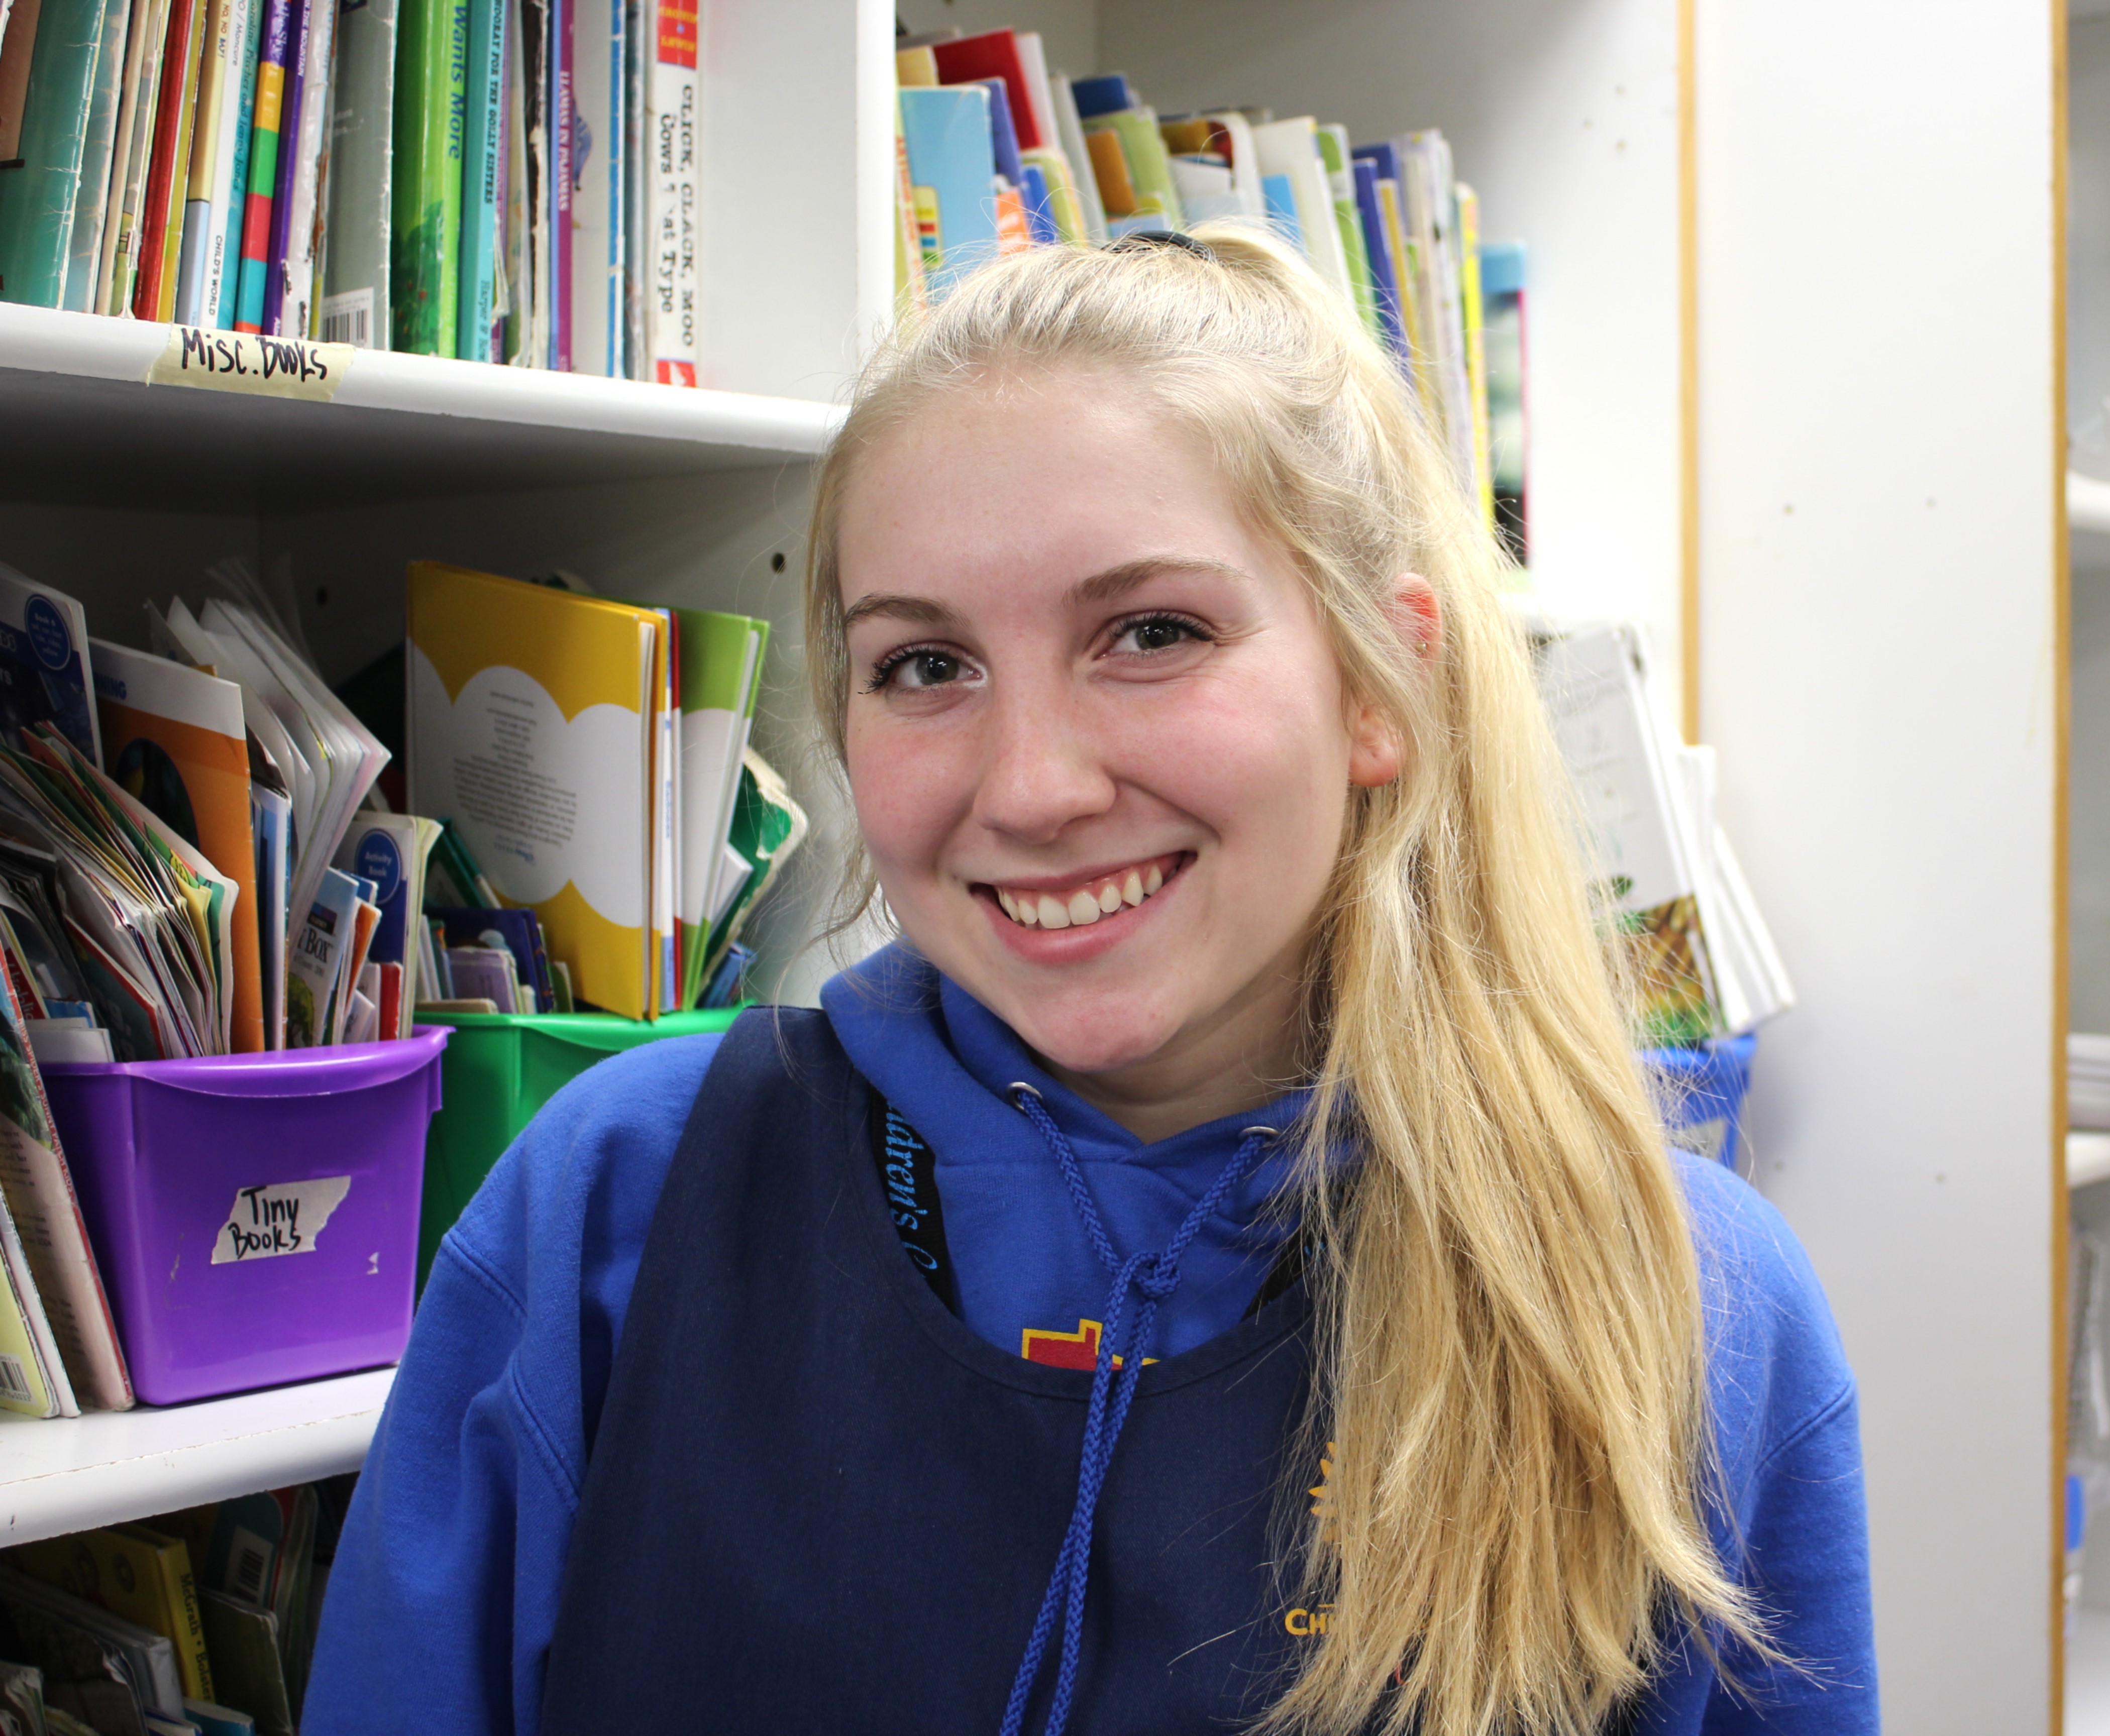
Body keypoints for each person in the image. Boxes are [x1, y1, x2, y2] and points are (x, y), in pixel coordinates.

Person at [305, 227, 1875, 1736]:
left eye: (1150, 632)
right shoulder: (623, 1198)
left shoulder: (1675, 1301)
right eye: (925, 665)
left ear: (1380, 685)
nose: (1034, 787)